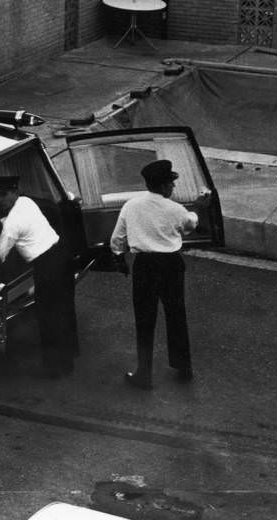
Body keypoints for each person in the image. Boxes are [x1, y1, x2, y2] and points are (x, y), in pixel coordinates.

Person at [109, 160, 208, 390]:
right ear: (164, 187)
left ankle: (144, 374)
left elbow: (117, 240)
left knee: (144, 320)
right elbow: (191, 224)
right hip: (171, 266)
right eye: (171, 184)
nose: (173, 187)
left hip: (144, 266)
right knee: (176, 315)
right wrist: (199, 206)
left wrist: (119, 257)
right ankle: (183, 368)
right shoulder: (175, 209)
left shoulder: (131, 206)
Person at [0, 176, 78, 378]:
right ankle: (70, 355)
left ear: (14, 192)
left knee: (48, 317)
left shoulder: (12, 223)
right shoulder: (26, 202)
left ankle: (55, 369)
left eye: (3, 194)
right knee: (66, 309)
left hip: (47, 267)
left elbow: (0, 254)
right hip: (62, 256)